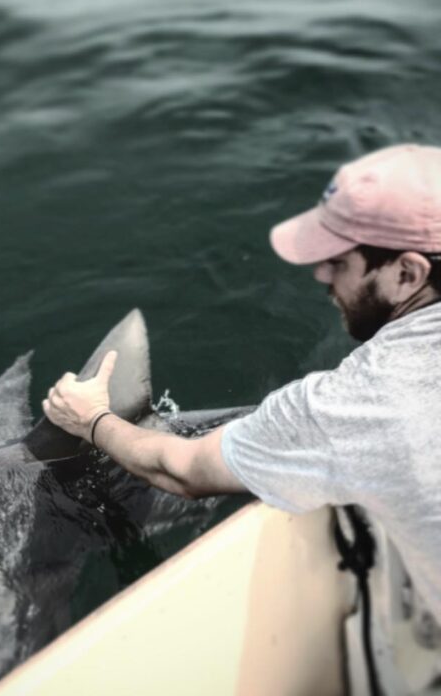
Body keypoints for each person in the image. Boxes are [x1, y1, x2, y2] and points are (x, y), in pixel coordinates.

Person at [42, 143, 441, 626]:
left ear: (407, 272)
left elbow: (182, 472)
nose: (318, 274)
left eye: (337, 262)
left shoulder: (362, 402)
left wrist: (90, 420)